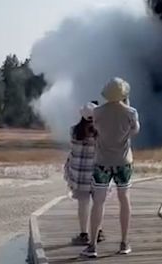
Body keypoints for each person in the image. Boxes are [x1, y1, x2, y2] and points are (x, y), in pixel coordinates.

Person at [81, 77, 140, 258]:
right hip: (123, 162)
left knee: (98, 202)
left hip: (102, 162)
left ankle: (92, 246)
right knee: (124, 200)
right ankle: (124, 243)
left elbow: (87, 116)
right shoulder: (131, 112)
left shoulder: (97, 112)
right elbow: (135, 131)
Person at [64, 102, 105, 245]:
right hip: (97, 174)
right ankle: (98, 232)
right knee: (98, 204)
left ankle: (84, 234)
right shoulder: (101, 133)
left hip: (79, 175)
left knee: (83, 204)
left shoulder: (73, 131)